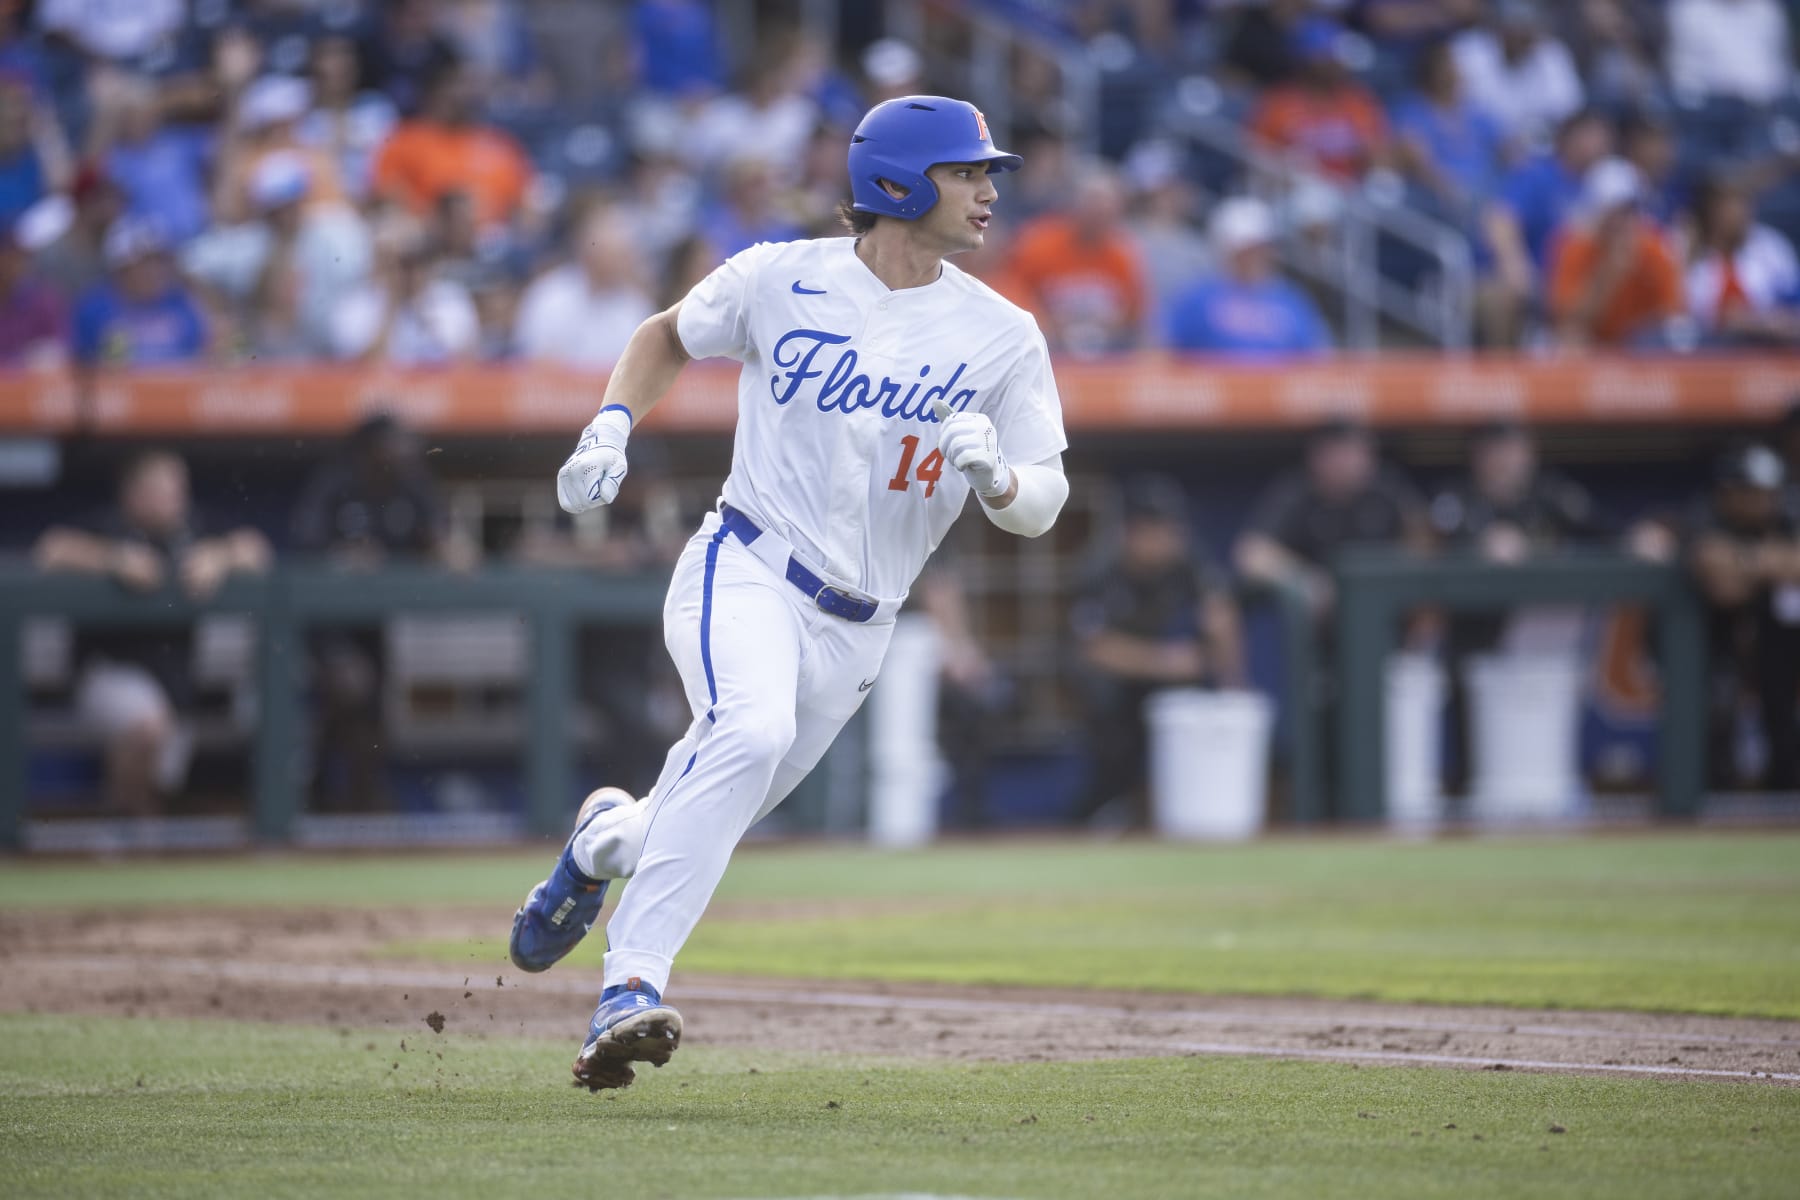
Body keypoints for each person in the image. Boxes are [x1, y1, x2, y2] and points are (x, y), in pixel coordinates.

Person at [507, 95, 1068, 1091]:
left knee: (688, 813)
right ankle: (628, 988)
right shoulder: (779, 276)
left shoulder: (1005, 335)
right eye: (967, 171)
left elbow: (1045, 503)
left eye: (990, 173)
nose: (989, 190)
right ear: (897, 184)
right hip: (747, 566)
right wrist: (610, 425)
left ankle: (599, 842)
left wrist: (1001, 482)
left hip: (860, 632)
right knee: (750, 728)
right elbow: (669, 332)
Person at [32, 450, 271, 814]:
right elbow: (50, 549)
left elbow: (257, 549)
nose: (173, 497)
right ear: (132, 494)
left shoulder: (193, 532)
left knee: (159, 772)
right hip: (106, 673)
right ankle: (125, 830)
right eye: (159, 488)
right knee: (147, 727)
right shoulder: (111, 528)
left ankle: (132, 834)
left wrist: (220, 556)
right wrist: (113, 559)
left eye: (176, 487)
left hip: (178, 685)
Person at [290, 412, 473, 812]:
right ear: (367, 450)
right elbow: (303, 548)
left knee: (372, 711)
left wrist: (445, 547)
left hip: (374, 625)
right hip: (324, 624)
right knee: (349, 687)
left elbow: (443, 538)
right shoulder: (336, 484)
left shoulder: (411, 483)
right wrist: (342, 559)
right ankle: (318, 790)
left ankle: (357, 797)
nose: (401, 452)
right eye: (391, 444)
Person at [1429, 420, 1603, 794]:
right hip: (1475, 634)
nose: (1504, 459)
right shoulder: (1458, 499)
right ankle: (1470, 796)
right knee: (1474, 733)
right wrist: (1480, 544)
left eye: (1512, 449)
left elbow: (1603, 533)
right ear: (1477, 456)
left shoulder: (1553, 497)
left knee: (1545, 729)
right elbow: (1431, 542)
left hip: (1545, 642)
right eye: (1494, 450)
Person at [1070, 476, 1245, 829]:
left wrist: (1232, 687)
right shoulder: (1099, 567)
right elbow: (1095, 647)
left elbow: (1220, 613)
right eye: (1159, 530)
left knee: (1192, 702)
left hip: (1158, 670)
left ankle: (1181, 811)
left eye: (1173, 528)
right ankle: (1099, 814)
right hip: (1107, 672)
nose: (1171, 539)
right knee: (1109, 712)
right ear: (1134, 532)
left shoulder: (1186, 558)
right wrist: (1165, 662)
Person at [1688, 443, 1800, 789]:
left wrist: (1746, 563)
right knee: (1715, 715)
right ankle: (1714, 801)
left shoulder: (1789, 514)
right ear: (1730, 492)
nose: (1766, 500)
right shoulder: (1706, 514)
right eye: (1754, 492)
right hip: (1713, 644)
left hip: (1778, 643)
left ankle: (1784, 790)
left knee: (1782, 714)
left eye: (1770, 492)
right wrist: (1769, 564)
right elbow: (1721, 582)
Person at [1003, 167, 1146, 355]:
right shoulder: (1038, 244)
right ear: (1075, 204)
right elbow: (1011, 296)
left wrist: (1107, 327)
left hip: (1105, 354)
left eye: (1106, 211)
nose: (1099, 215)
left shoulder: (1123, 255)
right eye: (1093, 205)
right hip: (1042, 347)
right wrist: (1049, 324)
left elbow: (1134, 317)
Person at [1165, 196, 1330, 358]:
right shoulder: (1198, 300)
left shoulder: (1292, 300)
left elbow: (1315, 357)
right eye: (1246, 251)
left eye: (1261, 248)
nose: (1255, 257)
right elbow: (1169, 352)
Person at [1547, 157, 1683, 348]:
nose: (1622, 221)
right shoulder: (1576, 248)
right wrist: (1608, 274)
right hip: (1594, 346)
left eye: (1629, 211)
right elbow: (1566, 320)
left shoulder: (1655, 250)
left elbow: (1672, 315)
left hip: (1645, 349)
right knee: (1570, 340)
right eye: (1615, 213)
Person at [514, 203, 656, 370]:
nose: (625, 261)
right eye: (616, 251)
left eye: (625, 253)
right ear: (589, 250)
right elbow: (530, 362)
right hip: (555, 393)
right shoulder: (549, 297)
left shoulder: (636, 309)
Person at [72, 216, 208, 366]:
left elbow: (198, 358)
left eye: (159, 261)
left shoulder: (180, 305)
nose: (155, 271)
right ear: (121, 268)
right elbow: (79, 365)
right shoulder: (94, 309)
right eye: (145, 263)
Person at [1684, 176, 1800, 348]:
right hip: (1704, 350)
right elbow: (1685, 315)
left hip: (1771, 347)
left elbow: (1793, 303)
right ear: (1709, 212)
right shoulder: (1689, 252)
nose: (1737, 213)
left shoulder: (1771, 247)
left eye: (1742, 204)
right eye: (1727, 206)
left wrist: (1757, 322)